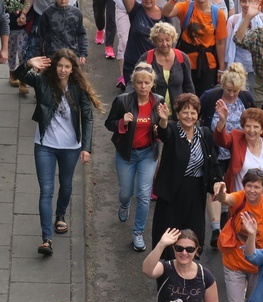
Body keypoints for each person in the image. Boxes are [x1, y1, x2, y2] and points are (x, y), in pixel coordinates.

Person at [14, 51, 103, 256]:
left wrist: (86, 147)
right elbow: (19, 74)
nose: (62, 70)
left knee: (66, 184)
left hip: (70, 146)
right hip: (45, 144)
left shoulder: (78, 89)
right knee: (46, 190)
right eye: (59, 66)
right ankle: (47, 239)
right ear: (54, 66)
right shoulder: (43, 81)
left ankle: (60, 214)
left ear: (73, 69)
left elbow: (88, 118)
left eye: (67, 67)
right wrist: (28, 63)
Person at [106, 63, 165, 252]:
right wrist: (122, 122)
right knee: (126, 192)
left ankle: (138, 232)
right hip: (126, 154)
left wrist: (161, 126)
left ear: (152, 84)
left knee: (144, 195)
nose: (143, 86)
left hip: (148, 153)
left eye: (147, 83)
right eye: (139, 82)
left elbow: (165, 128)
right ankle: (124, 204)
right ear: (133, 83)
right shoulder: (123, 101)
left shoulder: (158, 101)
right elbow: (109, 123)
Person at [152, 93, 221, 249]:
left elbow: (212, 161)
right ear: (177, 114)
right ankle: (166, 268)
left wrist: (218, 180)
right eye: (185, 112)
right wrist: (163, 119)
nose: (189, 116)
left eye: (193, 112)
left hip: (196, 192)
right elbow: (164, 134)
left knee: (193, 234)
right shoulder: (172, 130)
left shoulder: (204, 133)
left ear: (197, 115)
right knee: (170, 234)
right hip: (172, 193)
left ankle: (190, 269)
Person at [200, 63, 256, 247]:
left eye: (236, 91)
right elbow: (197, 116)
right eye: (229, 90)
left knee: (233, 187)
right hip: (214, 150)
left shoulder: (246, 98)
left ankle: (229, 220)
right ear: (222, 85)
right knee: (214, 186)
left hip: (236, 150)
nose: (232, 94)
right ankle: (216, 228)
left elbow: (255, 120)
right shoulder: (210, 97)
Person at [142, 228, 220, 302]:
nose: (184, 253)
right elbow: (147, 270)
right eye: (179, 248)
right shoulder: (166, 268)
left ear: (196, 251)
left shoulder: (205, 275)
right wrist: (161, 244)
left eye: (189, 249)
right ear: (174, 249)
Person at [161, 0, 227, 96]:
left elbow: (220, 43)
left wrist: (221, 69)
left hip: (208, 65)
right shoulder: (186, 7)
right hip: (185, 63)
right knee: (185, 97)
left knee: (205, 97)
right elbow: (166, 12)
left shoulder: (218, 14)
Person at [214, 106, 263, 193]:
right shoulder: (236, 137)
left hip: (262, 200)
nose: (251, 130)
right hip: (238, 199)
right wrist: (222, 120)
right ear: (243, 128)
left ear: (262, 129)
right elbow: (221, 140)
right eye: (248, 126)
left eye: (256, 127)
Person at [135, 22, 195, 114]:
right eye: (160, 40)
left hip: (178, 113)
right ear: (154, 41)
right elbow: (134, 82)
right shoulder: (147, 58)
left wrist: (192, 108)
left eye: (168, 40)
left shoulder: (182, 57)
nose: (165, 44)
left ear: (173, 40)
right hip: (153, 113)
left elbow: (189, 85)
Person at [225, 0, 263, 92]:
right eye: (243, 1)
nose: (247, 5)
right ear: (239, 2)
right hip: (238, 67)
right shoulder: (233, 20)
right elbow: (228, 46)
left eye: (250, 2)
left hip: (256, 68)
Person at [121, 0, 162, 85]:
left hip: (155, 68)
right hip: (133, 66)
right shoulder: (135, 10)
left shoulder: (165, 14)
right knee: (132, 96)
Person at [35, 0, 87, 64]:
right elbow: (40, 37)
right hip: (53, 57)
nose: (63, 0)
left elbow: (82, 34)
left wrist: (83, 53)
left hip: (72, 55)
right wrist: (37, 56)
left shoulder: (76, 13)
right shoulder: (47, 13)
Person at [6, 0, 30, 94]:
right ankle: (12, 73)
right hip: (9, 27)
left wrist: (25, 18)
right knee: (11, 51)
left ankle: (23, 79)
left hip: (23, 28)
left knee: (22, 52)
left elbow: (31, 7)